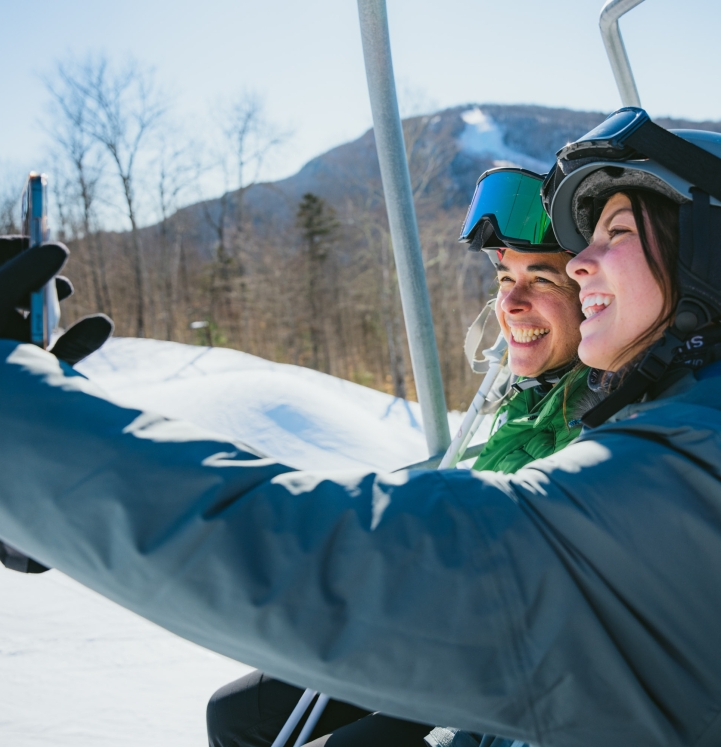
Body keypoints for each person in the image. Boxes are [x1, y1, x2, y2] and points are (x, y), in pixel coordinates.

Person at [0, 109, 721, 747]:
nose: (570, 274)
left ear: (720, 261)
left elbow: (340, 559)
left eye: (610, 231)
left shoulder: (703, 497)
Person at [205, 167, 590, 747]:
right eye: (504, 276)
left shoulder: (598, 417)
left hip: (497, 662)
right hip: (439, 626)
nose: (510, 301)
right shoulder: (525, 397)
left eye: (541, 279)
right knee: (240, 713)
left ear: (595, 295)